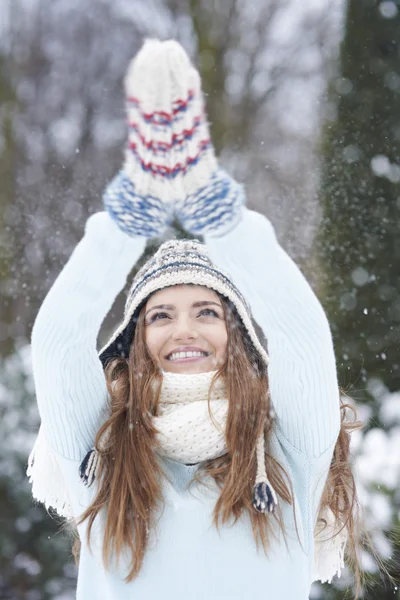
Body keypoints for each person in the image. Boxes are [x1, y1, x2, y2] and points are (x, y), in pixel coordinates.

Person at [27, 38, 365, 599]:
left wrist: (221, 216)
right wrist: (129, 215)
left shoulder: (289, 451)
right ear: (135, 340)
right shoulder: (101, 445)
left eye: (208, 311)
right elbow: (58, 337)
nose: (184, 329)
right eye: (160, 314)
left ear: (239, 335)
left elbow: (302, 336)